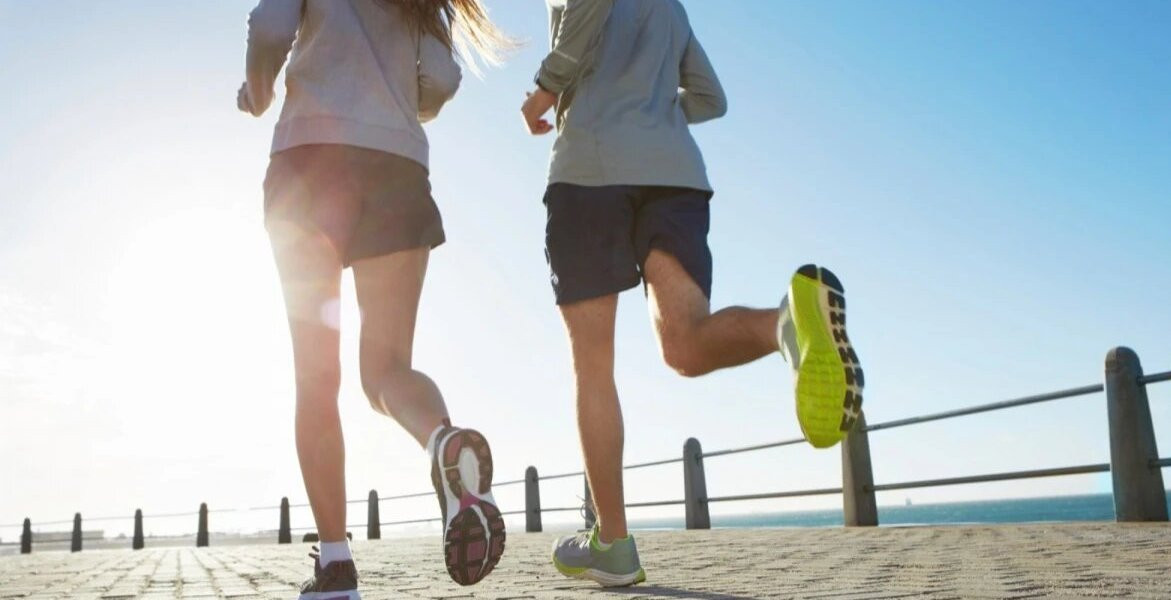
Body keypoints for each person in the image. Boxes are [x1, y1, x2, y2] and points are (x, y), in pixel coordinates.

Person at [520, 0, 865, 587]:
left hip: (591, 173)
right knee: (684, 345)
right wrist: (653, 109)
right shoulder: (671, 7)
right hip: (674, 173)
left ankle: (613, 543)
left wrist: (543, 92)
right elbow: (711, 97)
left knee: (593, 366)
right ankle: (785, 323)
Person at [239, 1, 512, 596]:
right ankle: (443, 441)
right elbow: (442, 77)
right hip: (396, 168)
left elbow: (271, 26)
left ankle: (336, 567)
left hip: (309, 161)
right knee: (386, 370)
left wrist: (259, 91)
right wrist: (396, 103)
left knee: (317, 379)